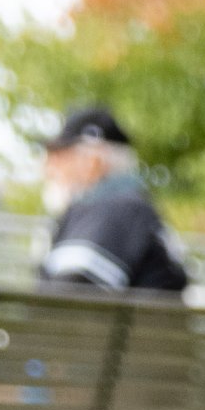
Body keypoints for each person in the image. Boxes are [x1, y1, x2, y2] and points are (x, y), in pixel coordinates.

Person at [34, 104, 189, 294]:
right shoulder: (122, 204)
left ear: (93, 161)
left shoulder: (118, 209)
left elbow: (72, 298)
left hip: (121, 323)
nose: (49, 169)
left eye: (60, 157)